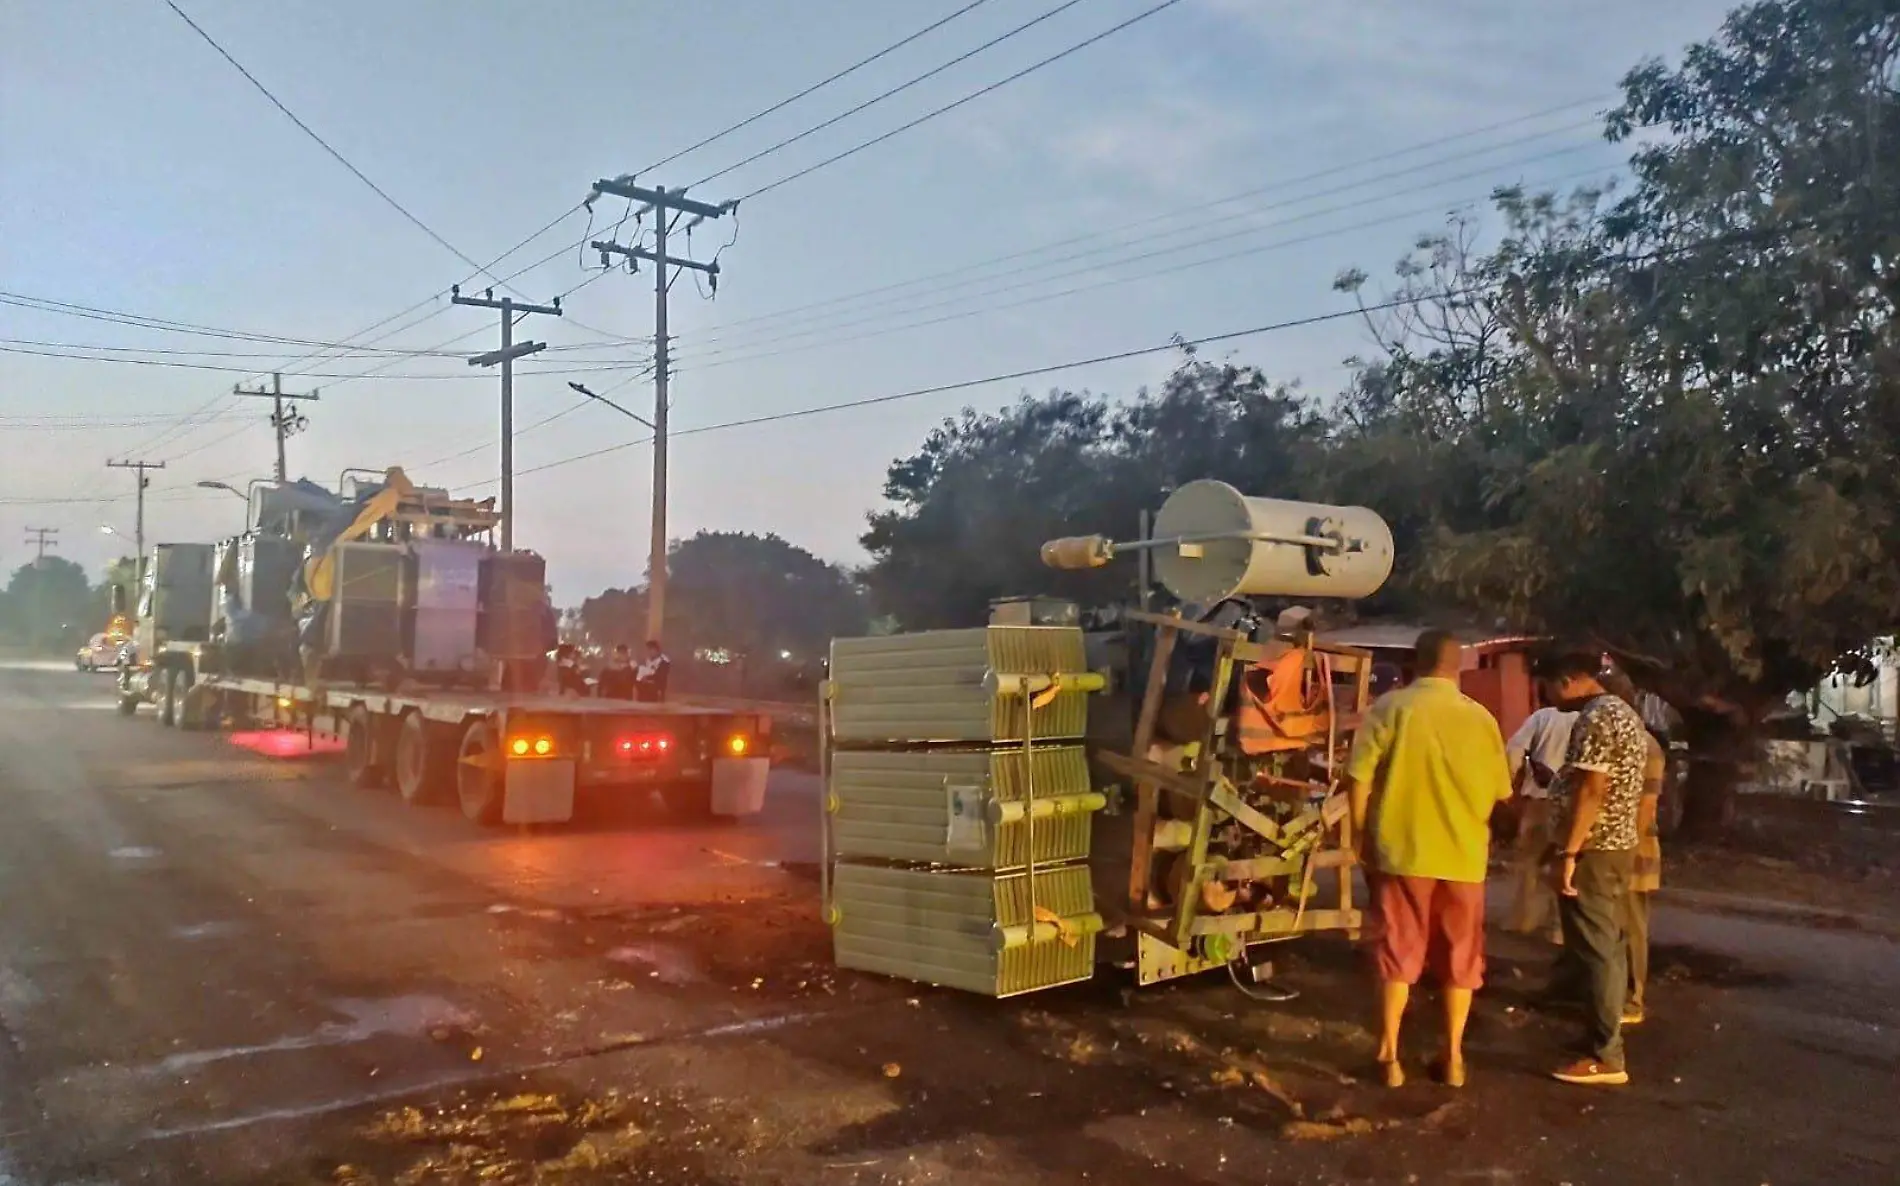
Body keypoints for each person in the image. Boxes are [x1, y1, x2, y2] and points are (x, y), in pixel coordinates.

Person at [1347, 629, 1513, 1089]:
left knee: (1399, 949)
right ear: (1457, 666)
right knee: (1461, 957)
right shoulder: (1482, 720)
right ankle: (1454, 1058)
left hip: (1401, 853)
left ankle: (1389, 1058)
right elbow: (1502, 794)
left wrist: (1361, 836)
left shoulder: (1391, 709)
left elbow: (1357, 778)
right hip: (1463, 856)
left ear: (1414, 663)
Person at [1536, 649, 1650, 1087]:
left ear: (1567, 678)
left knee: (1597, 946)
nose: (1547, 695)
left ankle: (1607, 1055)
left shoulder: (1597, 718)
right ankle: (1602, 1034)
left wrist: (1568, 853)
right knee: (1609, 939)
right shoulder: (1623, 713)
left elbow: (1591, 791)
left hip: (1594, 849)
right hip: (1614, 845)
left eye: (1547, 685)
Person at [1505, 702, 1576, 943]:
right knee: (1564, 863)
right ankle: (1558, 929)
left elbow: (1514, 750)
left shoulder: (1542, 717)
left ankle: (1523, 922)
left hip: (1537, 801)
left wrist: (1509, 784)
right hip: (1572, 804)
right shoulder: (1589, 718)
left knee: (1529, 863)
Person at [1624, 724, 1667, 1026]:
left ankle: (1631, 998)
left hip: (1633, 852)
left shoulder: (1644, 745)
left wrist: (1627, 848)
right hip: (1627, 848)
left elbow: (1646, 804)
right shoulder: (1634, 739)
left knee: (1631, 928)